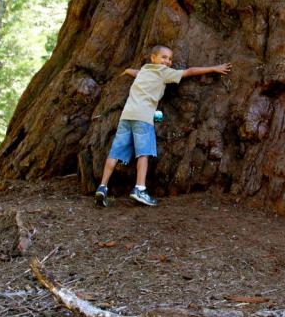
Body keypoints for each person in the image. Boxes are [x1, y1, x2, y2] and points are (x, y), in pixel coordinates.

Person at [95, 45, 231, 207]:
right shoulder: (163, 73)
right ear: (153, 58)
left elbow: (135, 72)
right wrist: (214, 68)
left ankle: (102, 187)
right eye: (163, 57)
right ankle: (139, 188)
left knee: (115, 152)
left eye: (170, 59)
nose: (167, 61)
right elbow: (190, 71)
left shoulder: (145, 69)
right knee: (143, 153)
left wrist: (126, 71)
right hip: (143, 117)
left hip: (126, 116)